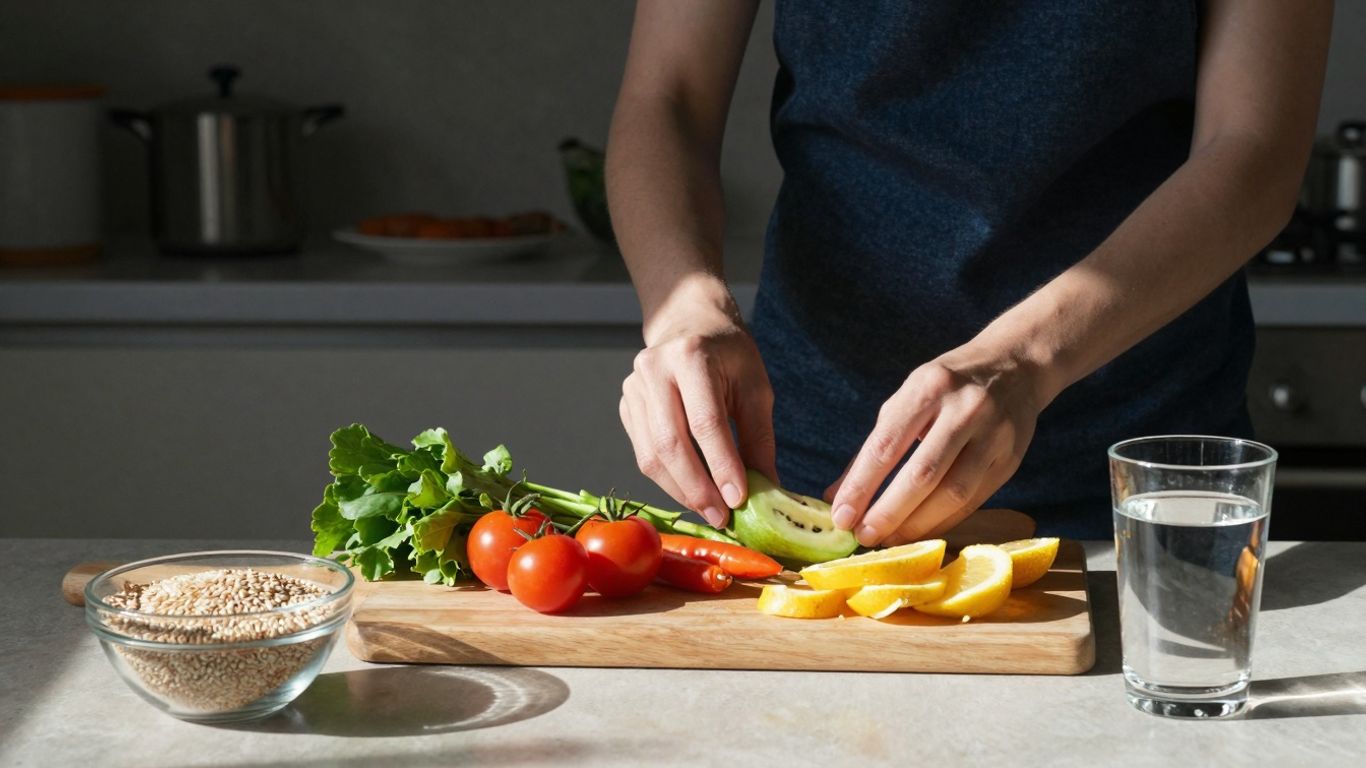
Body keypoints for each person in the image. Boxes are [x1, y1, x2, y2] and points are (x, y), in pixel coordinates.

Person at [605, 0, 1332, 543]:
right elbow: (667, 97)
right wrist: (686, 310)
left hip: (1147, 466)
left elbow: (1255, 148)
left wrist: (1028, 357)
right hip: (821, 451)